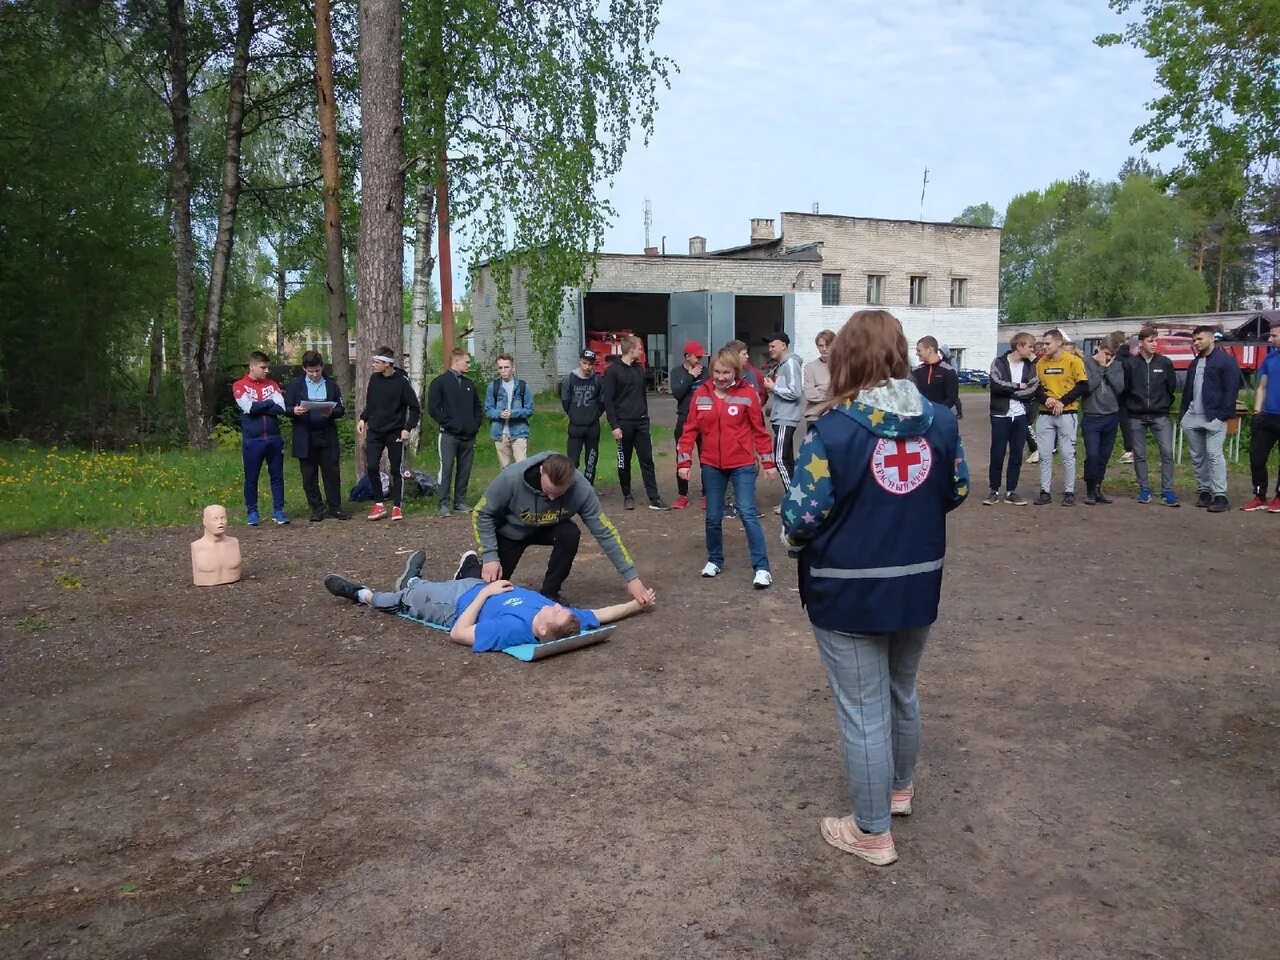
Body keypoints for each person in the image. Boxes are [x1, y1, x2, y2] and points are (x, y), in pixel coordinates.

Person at [782, 309, 968, 867]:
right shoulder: (941, 422)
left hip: (846, 592)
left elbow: (799, 517)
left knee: (863, 711)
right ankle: (898, 792)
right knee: (901, 692)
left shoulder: (833, 431)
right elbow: (956, 488)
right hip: (918, 583)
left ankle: (871, 833)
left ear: (846, 358)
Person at [323, 547, 655, 654]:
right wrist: (635, 605)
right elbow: (600, 614)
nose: (555, 605)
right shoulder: (564, 620)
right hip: (474, 589)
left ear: (541, 630)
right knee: (478, 572)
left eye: (553, 612)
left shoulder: (512, 633)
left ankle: (361, 593)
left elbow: (458, 634)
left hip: (453, 607)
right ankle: (463, 570)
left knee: (405, 596)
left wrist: (484, 594)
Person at [473, 451, 655, 606]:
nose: (552, 498)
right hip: (511, 531)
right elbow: (481, 513)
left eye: (558, 494)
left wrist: (631, 578)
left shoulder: (581, 489)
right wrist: (490, 556)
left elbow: (604, 532)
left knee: (570, 533)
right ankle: (468, 566)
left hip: (548, 528)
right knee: (487, 591)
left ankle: (549, 593)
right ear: (541, 470)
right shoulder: (511, 479)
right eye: (548, 490)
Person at [677, 346, 778, 588]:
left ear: (737, 372)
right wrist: (684, 461)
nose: (721, 377)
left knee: (746, 511)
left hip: (742, 464)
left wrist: (768, 462)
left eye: (727, 372)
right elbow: (689, 431)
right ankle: (714, 560)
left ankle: (762, 568)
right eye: (717, 372)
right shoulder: (701, 394)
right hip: (712, 465)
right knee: (713, 516)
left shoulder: (748, 394)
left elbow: (760, 432)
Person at [1180, 325, 1243, 512]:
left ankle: (1221, 496)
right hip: (1192, 418)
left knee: (1214, 455)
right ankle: (1204, 492)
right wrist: (1184, 415)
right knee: (1198, 456)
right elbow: (1188, 390)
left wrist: (1222, 416)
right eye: (1194, 340)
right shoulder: (1195, 363)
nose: (1196, 343)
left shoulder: (1226, 362)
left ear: (1211, 339)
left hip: (1214, 417)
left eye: (1199, 339)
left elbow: (1231, 391)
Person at [602, 335, 668, 510]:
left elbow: (642, 397)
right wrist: (614, 426)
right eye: (640, 348)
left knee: (647, 460)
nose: (642, 351)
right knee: (624, 462)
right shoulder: (612, 371)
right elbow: (608, 401)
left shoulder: (639, 370)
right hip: (622, 425)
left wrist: (645, 418)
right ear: (631, 349)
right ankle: (627, 495)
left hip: (641, 423)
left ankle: (654, 498)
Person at [357, 346, 421, 521]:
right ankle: (379, 504)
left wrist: (407, 428)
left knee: (395, 469)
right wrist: (363, 418)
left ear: (387, 364)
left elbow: (415, 409)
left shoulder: (401, 383)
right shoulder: (374, 380)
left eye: (376, 362)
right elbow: (371, 404)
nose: (373, 365)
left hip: (395, 433)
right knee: (371, 467)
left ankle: (397, 506)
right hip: (375, 432)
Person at [284, 350, 349, 522]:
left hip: (326, 434)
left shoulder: (331, 385)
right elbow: (287, 408)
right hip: (305, 434)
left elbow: (341, 409)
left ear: (322, 367)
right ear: (304, 368)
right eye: (311, 371)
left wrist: (331, 412)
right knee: (309, 475)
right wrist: (294, 410)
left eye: (317, 371)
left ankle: (335, 507)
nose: (314, 374)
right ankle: (316, 508)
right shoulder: (295, 385)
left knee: (331, 473)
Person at [232, 350, 289, 526]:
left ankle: (278, 511)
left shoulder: (272, 384)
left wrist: (261, 406)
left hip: (273, 438)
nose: (267, 371)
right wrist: (269, 403)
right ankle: (252, 512)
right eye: (263, 367)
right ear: (252, 367)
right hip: (253, 440)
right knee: (251, 477)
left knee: (277, 476)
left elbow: (282, 408)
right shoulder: (239, 385)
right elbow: (248, 408)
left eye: (267, 367)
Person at [1034, 329, 1089, 506]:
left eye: (1048, 343)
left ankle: (1069, 491)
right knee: (1044, 454)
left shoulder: (1073, 361)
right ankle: (1045, 491)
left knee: (1067, 453)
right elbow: (1035, 387)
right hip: (1045, 413)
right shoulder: (1040, 363)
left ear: (1059, 343)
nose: (1044, 346)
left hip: (1067, 413)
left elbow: (1083, 386)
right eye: (1043, 343)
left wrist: (1062, 402)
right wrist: (1047, 399)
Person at [1126, 325, 1179, 506]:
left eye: (1156, 341)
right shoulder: (1131, 364)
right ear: (1141, 343)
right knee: (1139, 454)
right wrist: (1132, 406)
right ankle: (1145, 489)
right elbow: (1125, 389)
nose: (1154, 344)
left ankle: (1167, 491)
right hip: (1136, 416)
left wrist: (1163, 404)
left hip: (1160, 415)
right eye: (1150, 341)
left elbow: (1171, 388)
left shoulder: (1164, 363)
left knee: (1167, 452)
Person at [983, 331, 1039, 505]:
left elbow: (1033, 387)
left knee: (1016, 454)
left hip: (1021, 415)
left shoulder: (1030, 366)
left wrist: (1013, 394)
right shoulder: (998, 363)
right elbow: (996, 385)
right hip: (1000, 415)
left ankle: (1011, 491)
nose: (1032, 350)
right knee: (998, 453)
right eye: (1030, 346)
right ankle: (994, 490)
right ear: (1019, 346)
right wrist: (1017, 387)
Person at [427, 347, 483, 517]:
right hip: (449, 435)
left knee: (464, 469)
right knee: (447, 468)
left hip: (468, 436)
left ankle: (460, 501)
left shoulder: (469, 384)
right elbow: (433, 408)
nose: (468, 365)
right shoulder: (440, 382)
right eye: (466, 362)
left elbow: (477, 407)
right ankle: (443, 503)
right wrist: (449, 423)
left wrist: (475, 425)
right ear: (456, 361)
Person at [1080, 335, 1126, 505]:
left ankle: (1098, 487)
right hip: (1092, 416)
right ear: (1099, 348)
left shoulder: (1117, 366)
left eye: (1112, 355)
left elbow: (1120, 388)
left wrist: (1108, 368)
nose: (1108, 358)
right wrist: (1100, 368)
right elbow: (1088, 387)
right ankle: (1089, 488)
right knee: (1092, 454)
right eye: (1106, 353)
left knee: (1103, 456)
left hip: (1111, 416)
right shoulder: (1086, 363)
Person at [1241, 324, 1280, 512]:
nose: (1270, 339)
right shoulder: (1269, 358)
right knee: (1257, 457)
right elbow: (1262, 387)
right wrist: (1257, 411)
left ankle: (1279, 498)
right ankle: (1259, 495)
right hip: (1267, 416)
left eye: (1274, 335)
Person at [669, 340, 708, 509]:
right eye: (697, 356)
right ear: (687, 356)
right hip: (684, 419)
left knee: (706, 457)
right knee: (682, 456)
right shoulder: (677, 372)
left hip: (704, 419)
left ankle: (707, 494)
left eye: (701, 357)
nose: (700, 360)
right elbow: (677, 393)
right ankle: (682, 494)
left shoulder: (706, 373)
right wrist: (690, 376)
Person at [763, 331, 804, 493]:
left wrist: (773, 387)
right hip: (782, 418)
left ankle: (793, 499)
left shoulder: (791, 363)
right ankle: (794, 497)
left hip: (786, 419)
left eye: (773, 346)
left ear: (783, 345)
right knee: (787, 459)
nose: (770, 349)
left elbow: (795, 392)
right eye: (769, 346)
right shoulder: (782, 364)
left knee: (779, 459)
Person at [562, 349, 605, 486]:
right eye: (585, 363)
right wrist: (573, 414)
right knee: (572, 461)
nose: (587, 367)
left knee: (591, 460)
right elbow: (565, 401)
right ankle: (573, 487)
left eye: (590, 364)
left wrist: (595, 414)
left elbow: (602, 401)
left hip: (592, 426)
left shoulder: (598, 380)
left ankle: (588, 486)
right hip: (575, 426)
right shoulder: (569, 379)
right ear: (580, 361)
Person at [486, 353, 534, 468]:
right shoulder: (493, 387)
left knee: (522, 466)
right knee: (505, 468)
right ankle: (508, 486)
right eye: (500, 368)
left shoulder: (523, 386)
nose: (503, 370)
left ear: (513, 368)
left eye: (506, 367)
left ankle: (521, 486)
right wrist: (499, 414)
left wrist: (513, 414)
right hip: (500, 432)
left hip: (519, 431)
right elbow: (488, 410)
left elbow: (529, 409)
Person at [911, 337, 962, 420]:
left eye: (919, 350)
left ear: (930, 350)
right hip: (920, 420)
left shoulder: (948, 371)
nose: (917, 353)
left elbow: (951, 398)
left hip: (940, 418)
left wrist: (935, 412)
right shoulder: (916, 371)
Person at [1112, 331, 1137, 464]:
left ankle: (1130, 451)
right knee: (1131, 423)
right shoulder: (1132, 357)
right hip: (1133, 394)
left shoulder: (1116, 358)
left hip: (1120, 395)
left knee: (1124, 423)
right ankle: (1134, 449)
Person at [803, 329, 836, 428]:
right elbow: (809, 395)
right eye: (821, 346)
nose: (824, 349)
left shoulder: (842, 367)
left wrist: (819, 388)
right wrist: (831, 391)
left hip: (836, 415)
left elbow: (844, 393)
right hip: (814, 416)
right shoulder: (810, 367)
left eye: (828, 345)